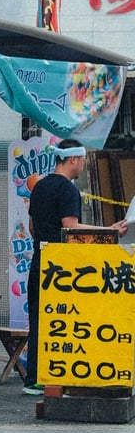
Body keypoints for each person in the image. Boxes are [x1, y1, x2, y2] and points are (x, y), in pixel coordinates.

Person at [24, 139, 126, 396]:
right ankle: (56, 377)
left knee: (39, 318)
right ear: (72, 160)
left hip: (40, 258)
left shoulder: (39, 186)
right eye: (81, 159)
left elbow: (33, 227)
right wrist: (109, 231)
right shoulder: (68, 190)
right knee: (64, 321)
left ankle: (34, 380)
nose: (82, 164)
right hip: (63, 266)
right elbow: (70, 227)